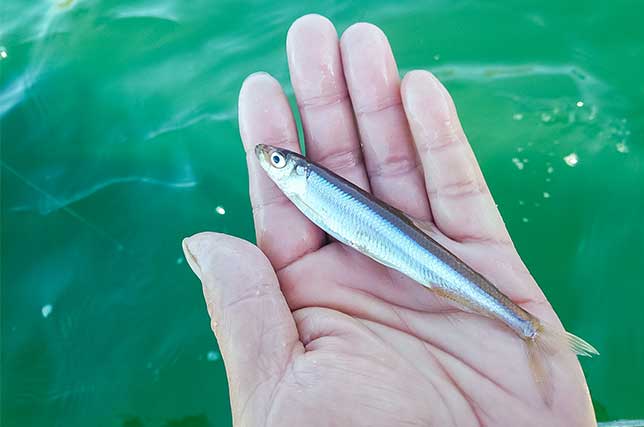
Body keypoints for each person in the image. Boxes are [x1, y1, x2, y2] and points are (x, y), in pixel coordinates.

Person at [182, 14, 596, 427]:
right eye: (276, 160)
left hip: (413, 252)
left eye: (276, 160)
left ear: (294, 169)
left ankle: (527, 328)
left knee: (458, 284)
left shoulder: (303, 183)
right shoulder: (302, 185)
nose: (271, 161)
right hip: (399, 244)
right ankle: (526, 328)